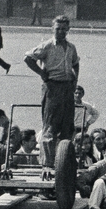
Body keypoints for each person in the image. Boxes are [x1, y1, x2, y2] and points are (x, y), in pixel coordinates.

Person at [24, 15, 80, 165]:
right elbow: (28, 58)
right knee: (50, 126)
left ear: (68, 30)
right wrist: (42, 73)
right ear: (52, 29)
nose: (61, 32)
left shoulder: (71, 47)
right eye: (58, 29)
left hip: (67, 88)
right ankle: (47, 164)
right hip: (52, 87)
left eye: (64, 29)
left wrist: (75, 80)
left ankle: (63, 162)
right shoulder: (47, 46)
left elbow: (75, 63)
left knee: (67, 126)